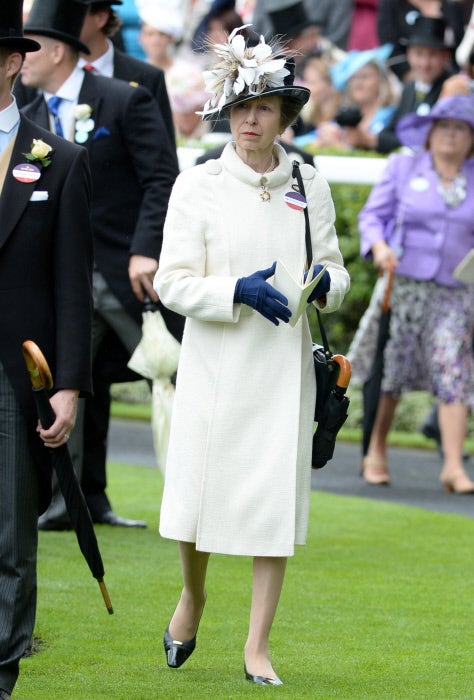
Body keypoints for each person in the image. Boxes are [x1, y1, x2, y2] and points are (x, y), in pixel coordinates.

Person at [153, 25, 350, 685]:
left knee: (273, 504)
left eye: (264, 108)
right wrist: (232, 290)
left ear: (286, 115)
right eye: (241, 108)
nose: (251, 120)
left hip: (281, 368)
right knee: (195, 499)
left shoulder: (308, 182)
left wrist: (327, 286)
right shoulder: (199, 184)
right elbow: (170, 282)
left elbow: (334, 269)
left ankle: (256, 645)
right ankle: (194, 595)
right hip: (215, 364)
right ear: (226, 113)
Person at [20, 0, 179, 529]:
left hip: (127, 275)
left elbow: (162, 178)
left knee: (178, 378)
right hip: (63, 282)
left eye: (31, 46)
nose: (21, 58)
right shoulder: (24, 111)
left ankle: (202, 499)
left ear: (59, 49)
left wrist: (145, 249)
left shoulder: (122, 100)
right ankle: (68, 504)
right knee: (67, 386)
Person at [0, 1, 93, 696]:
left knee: (9, 536)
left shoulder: (58, 159)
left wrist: (67, 385)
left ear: (11, 62)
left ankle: (1, 677)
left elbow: (72, 286)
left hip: (14, 375)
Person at [358, 94, 474, 493]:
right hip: (404, 284)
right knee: (393, 371)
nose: (450, 135)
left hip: (456, 291)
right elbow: (373, 216)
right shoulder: (404, 166)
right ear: (429, 132)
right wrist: (379, 246)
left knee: (452, 366)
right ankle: (375, 450)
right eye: (444, 126)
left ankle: (454, 466)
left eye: (460, 128)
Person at [370, 15, 456, 153]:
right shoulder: (409, 88)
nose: (425, 63)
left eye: (432, 55)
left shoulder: (452, 90)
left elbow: (427, 138)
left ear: (445, 56)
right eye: (418, 54)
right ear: (409, 55)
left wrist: (373, 140)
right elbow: (390, 131)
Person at [310, 43, 399, 151]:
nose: (358, 84)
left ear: (381, 80)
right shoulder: (345, 116)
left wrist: (339, 146)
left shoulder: (392, 115)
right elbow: (307, 140)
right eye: (353, 78)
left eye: (365, 76)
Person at [377, 0, 465, 80]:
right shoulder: (392, 4)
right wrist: (417, 81)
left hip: (450, 76)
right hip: (405, 78)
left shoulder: (452, 6)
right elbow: (389, 46)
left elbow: (461, 44)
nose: (425, 63)